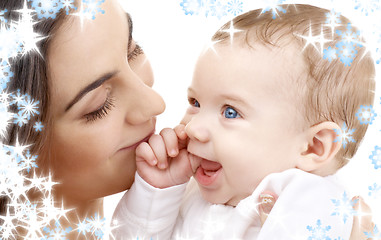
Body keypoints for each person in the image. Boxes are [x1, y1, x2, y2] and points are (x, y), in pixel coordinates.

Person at [112, 4, 376, 240]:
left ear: (313, 147)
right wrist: (157, 193)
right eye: (195, 103)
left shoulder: (310, 200)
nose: (192, 128)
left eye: (230, 112)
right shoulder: (190, 192)